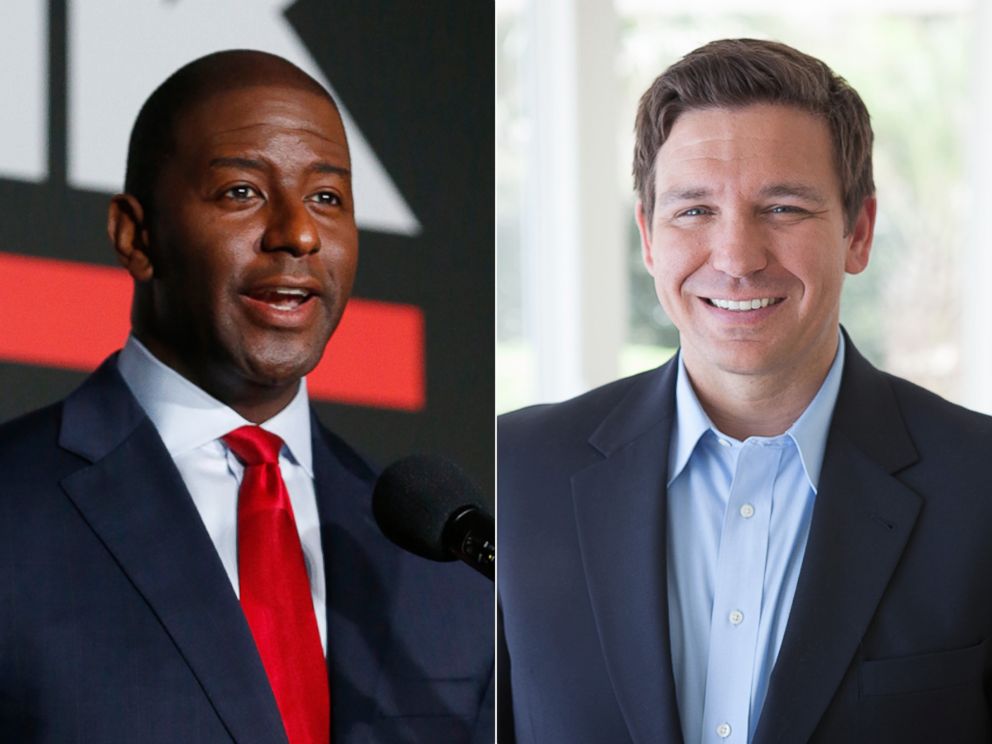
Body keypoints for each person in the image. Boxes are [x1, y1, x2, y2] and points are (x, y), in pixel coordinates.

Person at [498, 38, 992, 744]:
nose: (736, 257)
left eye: (783, 208)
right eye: (694, 211)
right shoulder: (516, 472)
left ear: (858, 232)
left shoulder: (980, 485)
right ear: (647, 235)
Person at [0, 50, 493, 744]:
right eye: (241, 192)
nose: (297, 233)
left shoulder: (440, 561)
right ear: (135, 236)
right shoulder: (14, 505)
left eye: (327, 198)